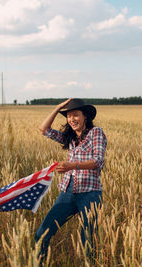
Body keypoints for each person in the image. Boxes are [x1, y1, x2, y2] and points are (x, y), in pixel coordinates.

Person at [35, 98, 107, 262]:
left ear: (85, 117)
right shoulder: (71, 137)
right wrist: (57, 108)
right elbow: (44, 129)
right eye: (68, 116)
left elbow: (97, 161)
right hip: (67, 191)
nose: (72, 119)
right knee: (42, 234)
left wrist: (71, 166)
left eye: (76, 115)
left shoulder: (96, 133)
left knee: (88, 243)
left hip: (90, 194)